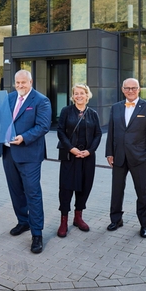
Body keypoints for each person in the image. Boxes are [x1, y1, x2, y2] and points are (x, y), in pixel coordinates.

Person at [0, 70, 51, 253]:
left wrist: (24, 137)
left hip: (29, 154)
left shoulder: (41, 100)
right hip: (8, 152)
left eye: (23, 82)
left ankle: (37, 234)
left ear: (31, 81)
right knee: (16, 191)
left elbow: (43, 126)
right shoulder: (9, 98)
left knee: (32, 193)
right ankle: (23, 221)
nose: (20, 86)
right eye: (17, 83)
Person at [105, 78, 146, 238]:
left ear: (139, 89)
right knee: (116, 190)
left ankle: (144, 224)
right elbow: (111, 133)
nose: (130, 91)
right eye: (127, 88)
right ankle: (116, 219)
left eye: (133, 88)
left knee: (142, 192)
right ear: (122, 89)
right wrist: (109, 153)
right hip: (119, 157)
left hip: (140, 158)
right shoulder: (115, 108)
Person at [55, 84, 102, 238]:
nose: (79, 96)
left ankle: (78, 217)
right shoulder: (66, 111)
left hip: (87, 157)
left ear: (87, 95)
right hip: (70, 156)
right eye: (76, 93)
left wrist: (89, 151)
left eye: (82, 93)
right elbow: (60, 131)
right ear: (73, 96)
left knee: (84, 187)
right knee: (66, 188)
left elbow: (98, 134)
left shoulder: (93, 114)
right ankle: (63, 220)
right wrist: (71, 148)